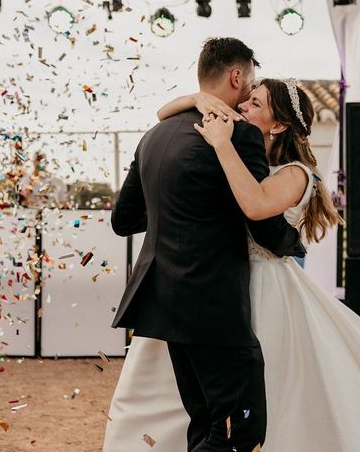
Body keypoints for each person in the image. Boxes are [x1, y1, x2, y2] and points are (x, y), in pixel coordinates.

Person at [103, 72, 360, 452]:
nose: (242, 107)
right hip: (215, 289)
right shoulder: (235, 156)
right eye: (246, 99)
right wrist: (197, 99)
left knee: (274, 398)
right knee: (200, 406)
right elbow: (163, 115)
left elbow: (256, 205)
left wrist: (223, 144)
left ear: (278, 126)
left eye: (255, 104)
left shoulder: (297, 174)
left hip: (264, 290)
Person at [108, 38, 306, 452]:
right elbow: (265, 228)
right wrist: (295, 243)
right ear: (237, 77)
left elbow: (123, 220)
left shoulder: (156, 134)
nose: (249, 97)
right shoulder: (240, 135)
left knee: (203, 423)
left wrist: (180, 214)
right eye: (249, 87)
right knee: (238, 433)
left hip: (163, 299)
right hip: (214, 303)